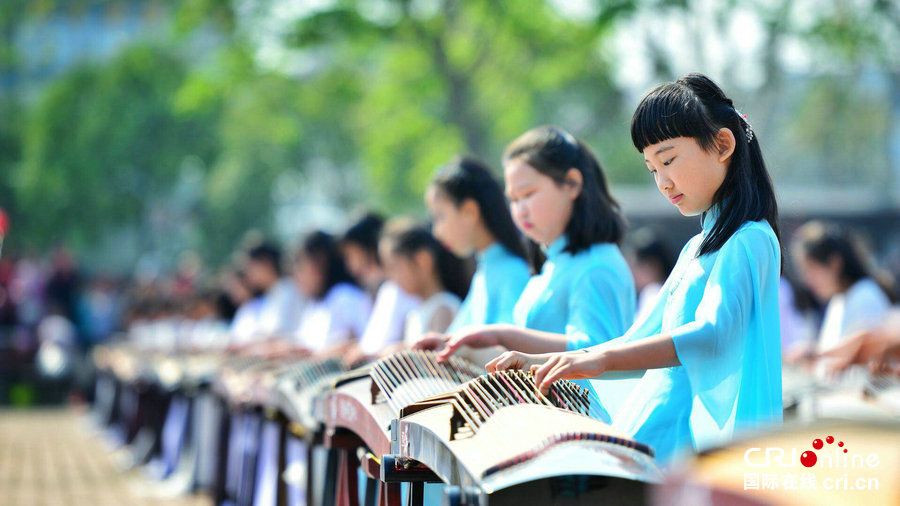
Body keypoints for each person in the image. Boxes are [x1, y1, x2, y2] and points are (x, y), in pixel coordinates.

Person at [483, 74, 783, 465]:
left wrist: (599, 360)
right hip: (653, 441)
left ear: (723, 144)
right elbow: (638, 339)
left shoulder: (750, 239)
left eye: (669, 159)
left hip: (689, 453)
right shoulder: (697, 248)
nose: (662, 181)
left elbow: (713, 334)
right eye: (652, 169)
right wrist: (545, 363)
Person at [435, 126, 635, 362]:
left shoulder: (596, 265)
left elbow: (599, 353)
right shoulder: (555, 264)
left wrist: (503, 335)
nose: (520, 210)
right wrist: (447, 344)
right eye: (513, 200)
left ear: (571, 184)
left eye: (528, 194)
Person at [414, 156, 531, 365]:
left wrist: (460, 350)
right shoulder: (485, 271)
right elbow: (455, 337)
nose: (436, 233)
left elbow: (511, 358)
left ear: (470, 211)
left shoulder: (512, 272)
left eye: (440, 217)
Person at [792, 221, 895, 356]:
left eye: (812, 269)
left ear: (834, 263)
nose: (807, 280)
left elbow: (867, 356)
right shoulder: (839, 300)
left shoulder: (864, 295)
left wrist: (815, 355)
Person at [341, 215, 420, 365]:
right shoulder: (386, 291)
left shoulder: (402, 291)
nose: (350, 265)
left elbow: (412, 345)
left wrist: (370, 353)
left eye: (352, 254)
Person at [378, 223, 470, 348]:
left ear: (423, 260)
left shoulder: (443, 307)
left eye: (394, 267)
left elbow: (433, 358)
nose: (391, 277)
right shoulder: (415, 313)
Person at [293, 231, 372, 354]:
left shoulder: (345, 296)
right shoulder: (315, 304)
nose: (299, 276)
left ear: (321, 262)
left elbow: (363, 343)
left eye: (303, 266)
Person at [628, 227, 675, 322]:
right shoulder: (672, 292)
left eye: (636, 265)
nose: (632, 272)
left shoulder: (652, 292)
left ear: (652, 266)